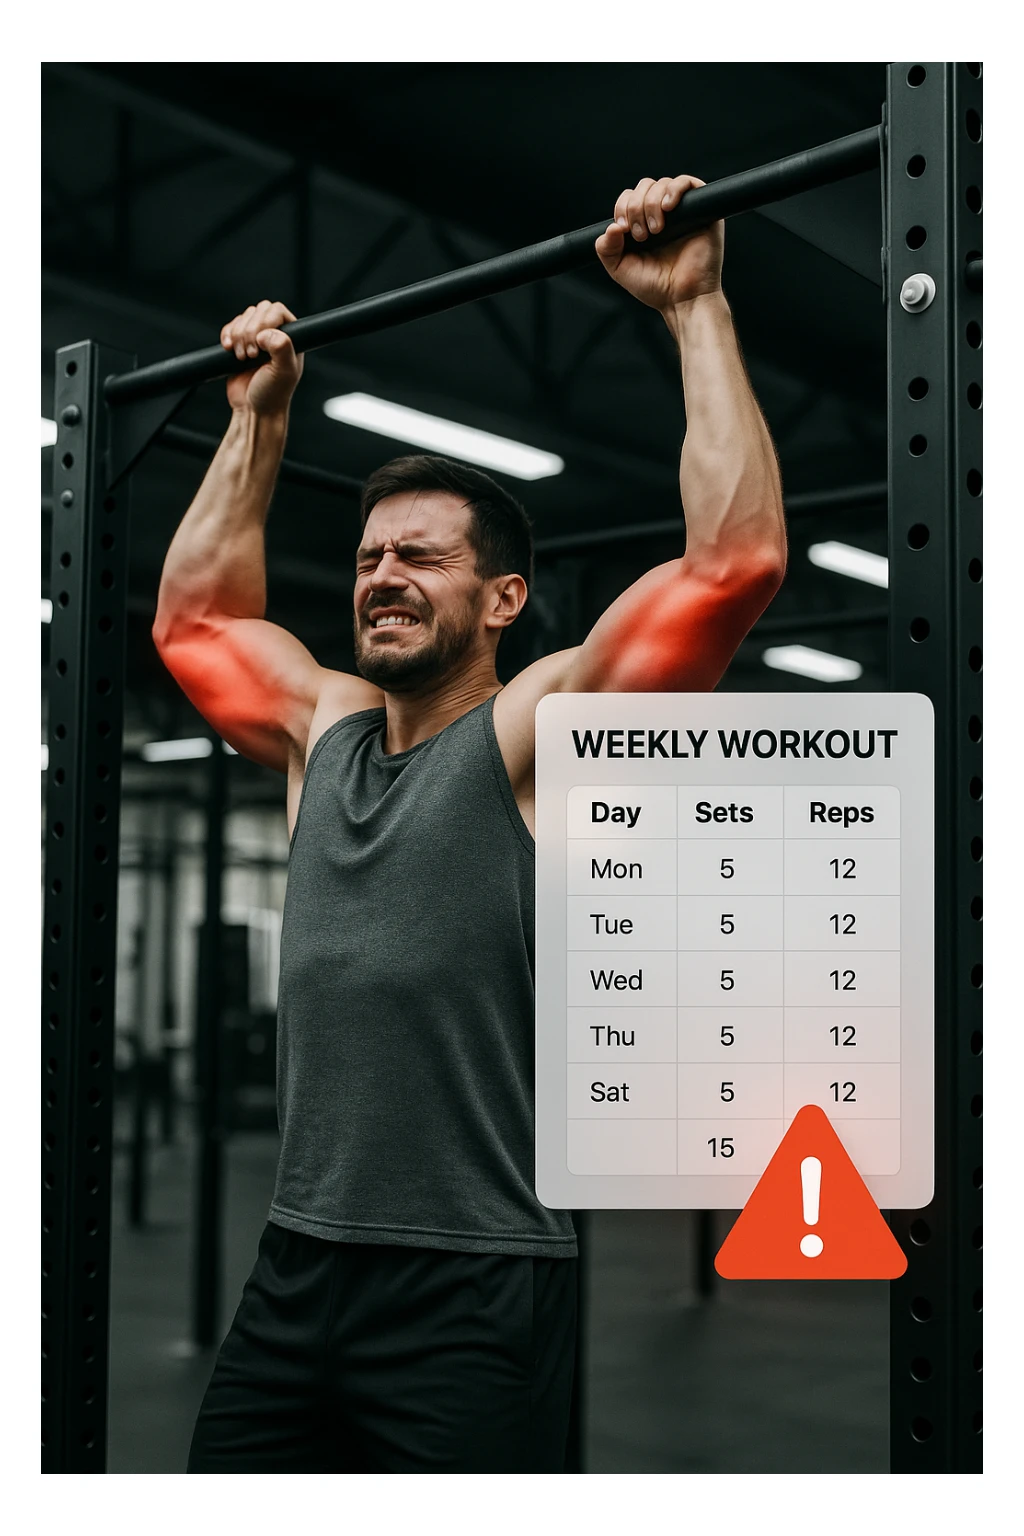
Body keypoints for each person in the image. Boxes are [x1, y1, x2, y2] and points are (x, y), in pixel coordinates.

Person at [156, 174, 786, 1473]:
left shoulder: (535, 734)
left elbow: (732, 566)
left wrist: (696, 307)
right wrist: (258, 421)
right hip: (297, 1267)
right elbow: (197, 625)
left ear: (503, 600)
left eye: (421, 558)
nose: (382, 577)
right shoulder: (320, 726)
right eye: (372, 557)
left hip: (476, 1283)